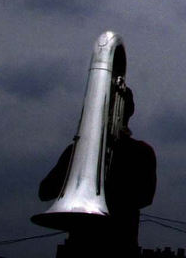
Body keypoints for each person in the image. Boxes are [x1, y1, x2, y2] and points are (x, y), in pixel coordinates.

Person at [40, 84, 157, 258]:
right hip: (116, 245)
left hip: (95, 244)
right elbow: (45, 191)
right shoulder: (142, 152)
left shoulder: (79, 150)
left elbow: (46, 191)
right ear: (130, 112)